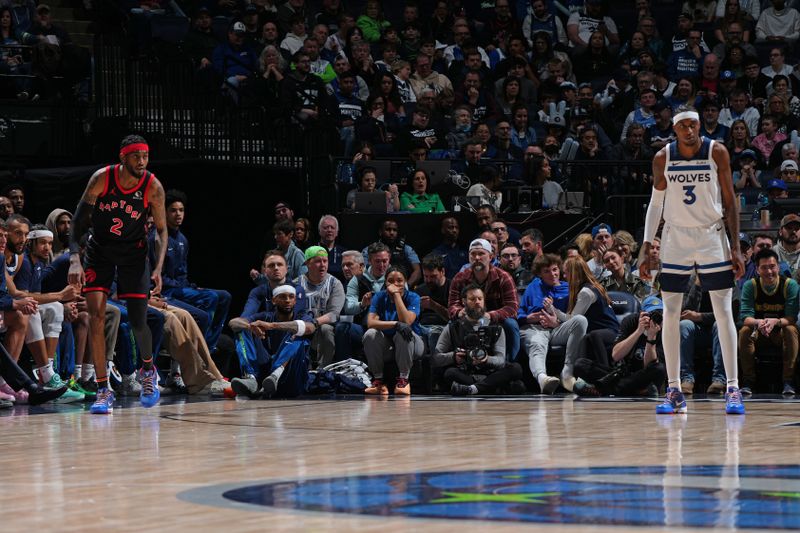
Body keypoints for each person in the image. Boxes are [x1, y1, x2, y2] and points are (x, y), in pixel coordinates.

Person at [640, 106, 745, 415]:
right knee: (670, 312)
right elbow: (655, 203)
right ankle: (673, 389)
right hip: (676, 237)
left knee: (723, 311)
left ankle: (733, 388)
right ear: (675, 129)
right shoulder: (663, 158)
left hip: (711, 235)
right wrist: (647, 246)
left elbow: (729, 200)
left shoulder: (717, 152)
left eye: (693, 125)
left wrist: (735, 246)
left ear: (700, 125)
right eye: (683, 125)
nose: (689, 130)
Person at [68, 135, 168, 414]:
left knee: (138, 321)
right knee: (95, 317)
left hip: (134, 254)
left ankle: (148, 370)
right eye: (136, 156)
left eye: (146, 156)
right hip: (100, 251)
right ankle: (103, 390)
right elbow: (78, 220)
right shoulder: (102, 179)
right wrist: (75, 258)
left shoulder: (153, 186)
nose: (142, 161)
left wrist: (158, 266)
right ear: (123, 158)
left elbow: (161, 230)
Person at [152, 189, 232, 352]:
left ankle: (209, 345)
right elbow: (157, 274)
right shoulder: (157, 237)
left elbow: (182, 273)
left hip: (181, 288)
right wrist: (185, 288)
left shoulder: (183, 240)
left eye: (181, 210)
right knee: (210, 298)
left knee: (224, 296)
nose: (178, 214)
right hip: (167, 290)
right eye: (173, 210)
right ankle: (201, 349)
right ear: (165, 212)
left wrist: (192, 287)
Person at [433, 284, 523, 396]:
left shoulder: (496, 327)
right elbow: (436, 358)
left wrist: (486, 359)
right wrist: (454, 357)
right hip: (466, 372)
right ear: (464, 301)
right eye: (472, 299)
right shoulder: (452, 327)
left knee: (516, 368)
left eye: (480, 299)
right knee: (449, 373)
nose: (477, 302)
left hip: (490, 372)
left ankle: (473, 389)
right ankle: (490, 387)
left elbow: (500, 360)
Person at [229, 285, 315, 398]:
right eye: (283, 297)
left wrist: (272, 326)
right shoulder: (265, 316)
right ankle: (251, 378)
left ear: (295, 301)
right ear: (274, 300)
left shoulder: (302, 316)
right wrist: (250, 326)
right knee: (241, 330)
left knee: (299, 330)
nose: (287, 300)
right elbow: (233, 322)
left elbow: (310, 328)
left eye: (291, 297)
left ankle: (276, 374)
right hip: (266, 376)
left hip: (291, 375)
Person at [738, 248, 799, 395]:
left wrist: (775, 322)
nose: (769, 271)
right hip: (759, 332)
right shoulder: (750, 285)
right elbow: (745, 317)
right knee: (744, 331)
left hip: (780, 332)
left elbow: (792, 317)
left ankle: (788, 381)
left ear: (778, 266)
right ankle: (748, 381)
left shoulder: (789, 285)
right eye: (764, 267)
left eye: (772, 267)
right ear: (757, 270)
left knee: (791, 330)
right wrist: (759, 323)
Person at [449, 238, 520, 362]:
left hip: (496, 321)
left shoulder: (503, 277)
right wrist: (460, 312)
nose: (477, 258)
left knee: (511, 324)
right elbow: (452, 306)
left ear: (491, 256)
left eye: (481, 254)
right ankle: (459, 362)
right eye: (473, 254)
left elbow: (512, 308)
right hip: (469, 319)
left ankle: (509, 362)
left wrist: (490, 315)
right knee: (452, 324)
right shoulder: (459, 278)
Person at [363, 265, 425, 395]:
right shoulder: (379, 297)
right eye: (390, 281)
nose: (395, 284)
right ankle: (378, 381)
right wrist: (395, 324)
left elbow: (407, 321)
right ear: (385, 283)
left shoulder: (413, 297)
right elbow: (371, 322)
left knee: (403, 331)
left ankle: (404, 380)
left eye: (399, 280)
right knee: (370, 334)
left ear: (405, 282)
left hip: (413, 345)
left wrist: (396, 295)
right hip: (389, 345)